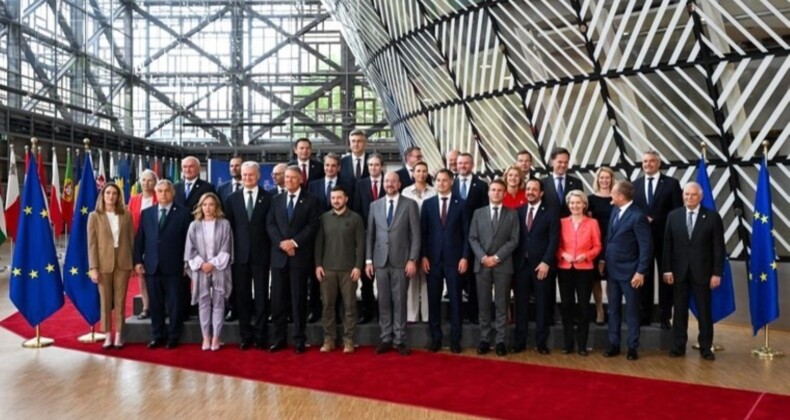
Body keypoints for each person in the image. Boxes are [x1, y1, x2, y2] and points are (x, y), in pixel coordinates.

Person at [662, 182, 724, 361]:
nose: (689, 198)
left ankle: (706, 347)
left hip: (703, 273)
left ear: (700, 197)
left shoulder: (712, 217)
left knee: (704, 312)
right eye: (686, 194)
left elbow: (718, 248)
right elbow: (667, 245)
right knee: (679, 311)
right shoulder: (673, 216)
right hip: (679, 272)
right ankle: (678, 346)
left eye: (693, 195)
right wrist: (667, 270)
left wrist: (717, 273)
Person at [266, 166, 320, 354]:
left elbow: (313, 226)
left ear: (300, 180)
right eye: (286, 177)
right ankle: (279, 339)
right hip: (279, 256)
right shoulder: (275, 200)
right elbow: (270, 224)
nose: (288, 180)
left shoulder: (312, 201)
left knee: (298, 300)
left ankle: (299, 339)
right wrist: (282, 243)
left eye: (292, 177)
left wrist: (294, 243)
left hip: (299, 257)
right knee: (278, 301)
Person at [366, 172, 421, 356]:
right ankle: (385, 338)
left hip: (401, 261)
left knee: (400, 301)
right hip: (380, 261)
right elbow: (370, 235)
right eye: (386, 181)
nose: (389, 184)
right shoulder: (375, 206)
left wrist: (413, 259)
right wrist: (368, 260)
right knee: (383, 301)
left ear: (399, 184)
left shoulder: (410, 204)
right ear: (383, 184)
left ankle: (400, 339)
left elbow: (416, 235)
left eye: (393, 181)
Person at [134, 180, 192, 349]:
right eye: (160, 191)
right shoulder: (147, 213)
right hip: (152, 266)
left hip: (175, 267)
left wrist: (186, 263)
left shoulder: (183, 213)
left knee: (175, 304)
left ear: (173, 193)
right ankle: (157, 335)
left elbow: (189, 242)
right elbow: (140, 240)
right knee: (156, 304)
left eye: (167, 191)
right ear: (155, 193)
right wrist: (138, 260)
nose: (164, 194)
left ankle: (173, 336)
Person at [601, 180, 652, 361]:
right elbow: (610, 238)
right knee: (613, 310)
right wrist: (603, 260)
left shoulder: (638, 216)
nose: (610, 195)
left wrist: (640, 272)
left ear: (621, 196)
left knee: (631, 311)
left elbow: (646, 247)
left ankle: (632, 347)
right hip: (612, 271)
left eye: (613, 193)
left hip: (631, 274)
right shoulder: (615, 210)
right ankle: (614, 344)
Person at [224, 161, 273, 350]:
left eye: (251, 175)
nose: (247, 178)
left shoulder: (270, 198)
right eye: (244, 175)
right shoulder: (231, 199)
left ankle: (261, 335)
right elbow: (229, 229)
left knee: (261, 296)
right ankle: (245, 335)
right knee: (242, 297)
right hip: (240, 257)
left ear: (259, 176)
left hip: (262, 256)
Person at [468, 180, 519, 357]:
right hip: (482, 264)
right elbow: (472, 238)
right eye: (493, 190)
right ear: (488, 193)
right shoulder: (478, 213)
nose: (496, 193)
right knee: (483, 304)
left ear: (505, 194)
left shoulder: (512, 214)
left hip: (503, 264)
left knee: (502, 303)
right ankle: (484, 339)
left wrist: (496, 258)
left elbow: (514, 240)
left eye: (500, 190)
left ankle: (501, 340)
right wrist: (483, 258)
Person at [420, 169, 468, 353]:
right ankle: (436, 338)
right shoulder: (428, 204)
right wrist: (423, 256)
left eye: (444, 180)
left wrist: (464, 257)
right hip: (432, 260)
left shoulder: (461, 204)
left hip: (454, 260)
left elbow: (466, 234)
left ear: (451, 182)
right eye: (438, 180)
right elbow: (423, 233)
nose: (441, 183)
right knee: (433, 300)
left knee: (456, 300)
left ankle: (455, 339)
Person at [633, 150, 682, 329]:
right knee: (643, 277)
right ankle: (644, 314)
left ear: (659, 163)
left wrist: (657, 220)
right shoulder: (635, 185)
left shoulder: (672, 184)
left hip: (665, 238)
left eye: (652, 161)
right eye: (645, 161)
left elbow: (677, 212)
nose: (648, 164)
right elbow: (633, 211)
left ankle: (664, 316)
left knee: (666, 277)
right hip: (642, 240)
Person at [315, 186, 365, 353]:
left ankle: (348, 340)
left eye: (339, 197)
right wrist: (318, 265)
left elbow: (361, 245)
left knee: (350, 306)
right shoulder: (323, 218)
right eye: (333, 198)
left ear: (346, 199)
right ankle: (329, 339)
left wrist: (358, 267)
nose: (336, 201)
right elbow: (318, 244)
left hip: (348, 270)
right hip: (327, 270)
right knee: (327, 305)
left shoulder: (356, 218)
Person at [513, 179, 559, 354]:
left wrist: (546, 262)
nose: (530, 192)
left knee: (542, 305)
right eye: (529, 189)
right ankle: (520, 341)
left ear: (541, 193)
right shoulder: (518, 211)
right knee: (521, 305)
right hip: (521, 266)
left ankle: (541, 342)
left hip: (542, 266)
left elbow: (554, 240)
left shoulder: (551, 212)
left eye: (534, 189)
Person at [88, 183, 135, 350]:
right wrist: (93, 267)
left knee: (121, 300)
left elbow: (131, 240)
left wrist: (135, 262)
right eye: (108, 193)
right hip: (102, 263)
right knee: (105, 301)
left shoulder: (126, 215)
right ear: (102, 195)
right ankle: (107, 334)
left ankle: (119, 335)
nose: (111, 196)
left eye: (114, 193)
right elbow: (92, 244)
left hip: (123, 262)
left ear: (118, 196)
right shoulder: (94, 216)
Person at [185, 192, 233, 351]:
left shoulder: (224, 224)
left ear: (216, 206)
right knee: (204, 303)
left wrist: (213, 263)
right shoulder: (194, 225)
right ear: (200, 206)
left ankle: (216, 338)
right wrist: (202, 264)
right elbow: (190, 250)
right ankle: (206, 337)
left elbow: (227, 247)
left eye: (211, 204)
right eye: (204, 204)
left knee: (219, 304)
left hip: (219, 268)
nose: (208, 208)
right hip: (200, 269)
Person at [556, 190, 602, 356]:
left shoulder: (592, 223)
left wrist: (587, 255)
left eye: (578, 202)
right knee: (567, 307)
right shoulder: (561, 222)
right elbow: (557, 244)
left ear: (584, 204)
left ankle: (582, 345)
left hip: (585, 270)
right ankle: (568, 344)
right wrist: (563, 254)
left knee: (583, 307)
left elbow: (598, 246)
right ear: (568, 205)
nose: (575, 206)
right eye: (572, 203)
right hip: (565, 268)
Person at [307, 153, 350, 322]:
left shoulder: (346, 185)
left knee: (337, 274)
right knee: (316, 275)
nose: (329, 168)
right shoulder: (313, 185)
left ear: (339, 167)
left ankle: (338, 313)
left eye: (333, 166)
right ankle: (314, 310)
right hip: (317, 234)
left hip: (338, 236)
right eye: (327, 165)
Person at [453, 152, 488, 324]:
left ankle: (474, 314)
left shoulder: (481, 186)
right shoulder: (451, 184)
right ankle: (458, 314)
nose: (462, 166)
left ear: (472, 165)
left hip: (476, 237)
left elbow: (484, 212)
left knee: (474, 280)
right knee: (457, 278)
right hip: (456, 238)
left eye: (466, 163)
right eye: (460, 163)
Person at [351, 153, 385, 324]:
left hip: (386, 237)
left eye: (376, 165)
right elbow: (357, 210)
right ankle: (367, 311)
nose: (373, 168)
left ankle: (383, 313)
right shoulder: (361, 185)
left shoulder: (389, 182)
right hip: (366, 236)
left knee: (384, 279)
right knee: (367, 279)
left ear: (382, 167)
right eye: (370, 165)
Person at [401, 161, 435, 323]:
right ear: (413, 173)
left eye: (424, 171)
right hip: (409, 238)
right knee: (412, 278)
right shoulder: (406, 192)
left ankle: (428, 316)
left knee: (427, 279)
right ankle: (412, 317)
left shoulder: (434, 191)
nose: (421, 174)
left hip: (430, 237)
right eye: (418, 171)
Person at [127, 169, 158, 320]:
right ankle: (146, 307)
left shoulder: (160, 197)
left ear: (155, 182)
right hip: (138, 241)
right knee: (142, 275)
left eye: (150, 180)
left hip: (155, 241)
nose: (146, 183)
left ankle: (160, 305)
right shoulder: (133, 199)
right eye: (143, 180)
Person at [587, 167, 615, 325]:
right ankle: (599, 310)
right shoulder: (591, 199)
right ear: (597, 180)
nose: (604, 181)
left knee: (611, 278)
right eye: (601, 178)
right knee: (595, 279)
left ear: (612, 179)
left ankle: (612, 308)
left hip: (613, 242)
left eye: (607, 178)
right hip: (596, 242)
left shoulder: (617, 198)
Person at [216, 155, 242, 322]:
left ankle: (244, 307)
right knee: (228, 276)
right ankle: (230, 307)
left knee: (243, 277)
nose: (234, 168)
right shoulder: (222, 189)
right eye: (231, 166)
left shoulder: (255, 188)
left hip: (245, 239)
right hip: (226, 239)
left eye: (237, 166)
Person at [542, 147, 583, 218]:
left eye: (566, 162)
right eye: (560, 162)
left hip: (571, 225)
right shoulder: (542, 183)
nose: (563, 165)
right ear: (552, 162)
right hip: (549, 226)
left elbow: (581, 206)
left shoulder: (577, 183)